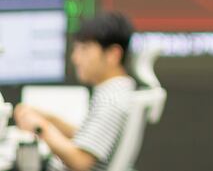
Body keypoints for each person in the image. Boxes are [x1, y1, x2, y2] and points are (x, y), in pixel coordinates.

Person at [14, 12, 136, 171]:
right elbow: (89, 139)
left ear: (113, 54)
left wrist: (40, 127)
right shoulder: (117, 90)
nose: (75, 58)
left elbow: (80, 161)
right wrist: (49, 120)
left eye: (84, 49)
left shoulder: (111, 100)